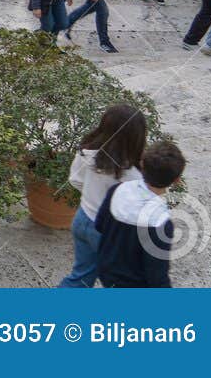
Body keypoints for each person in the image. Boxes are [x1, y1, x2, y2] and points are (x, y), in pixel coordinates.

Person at [57, 103, 147, 287]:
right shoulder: (131, 175)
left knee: (81, 275)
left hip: (82, 219)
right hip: (108, 233)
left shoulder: (87, 153)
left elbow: (75, 180)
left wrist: (92, 194)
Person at [95, 141, 186, 288]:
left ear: (142, 164)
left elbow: (99, 225)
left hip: (106, 271)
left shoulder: (117, 190)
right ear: (176, 180)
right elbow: (157, 275)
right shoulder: (161, 223)